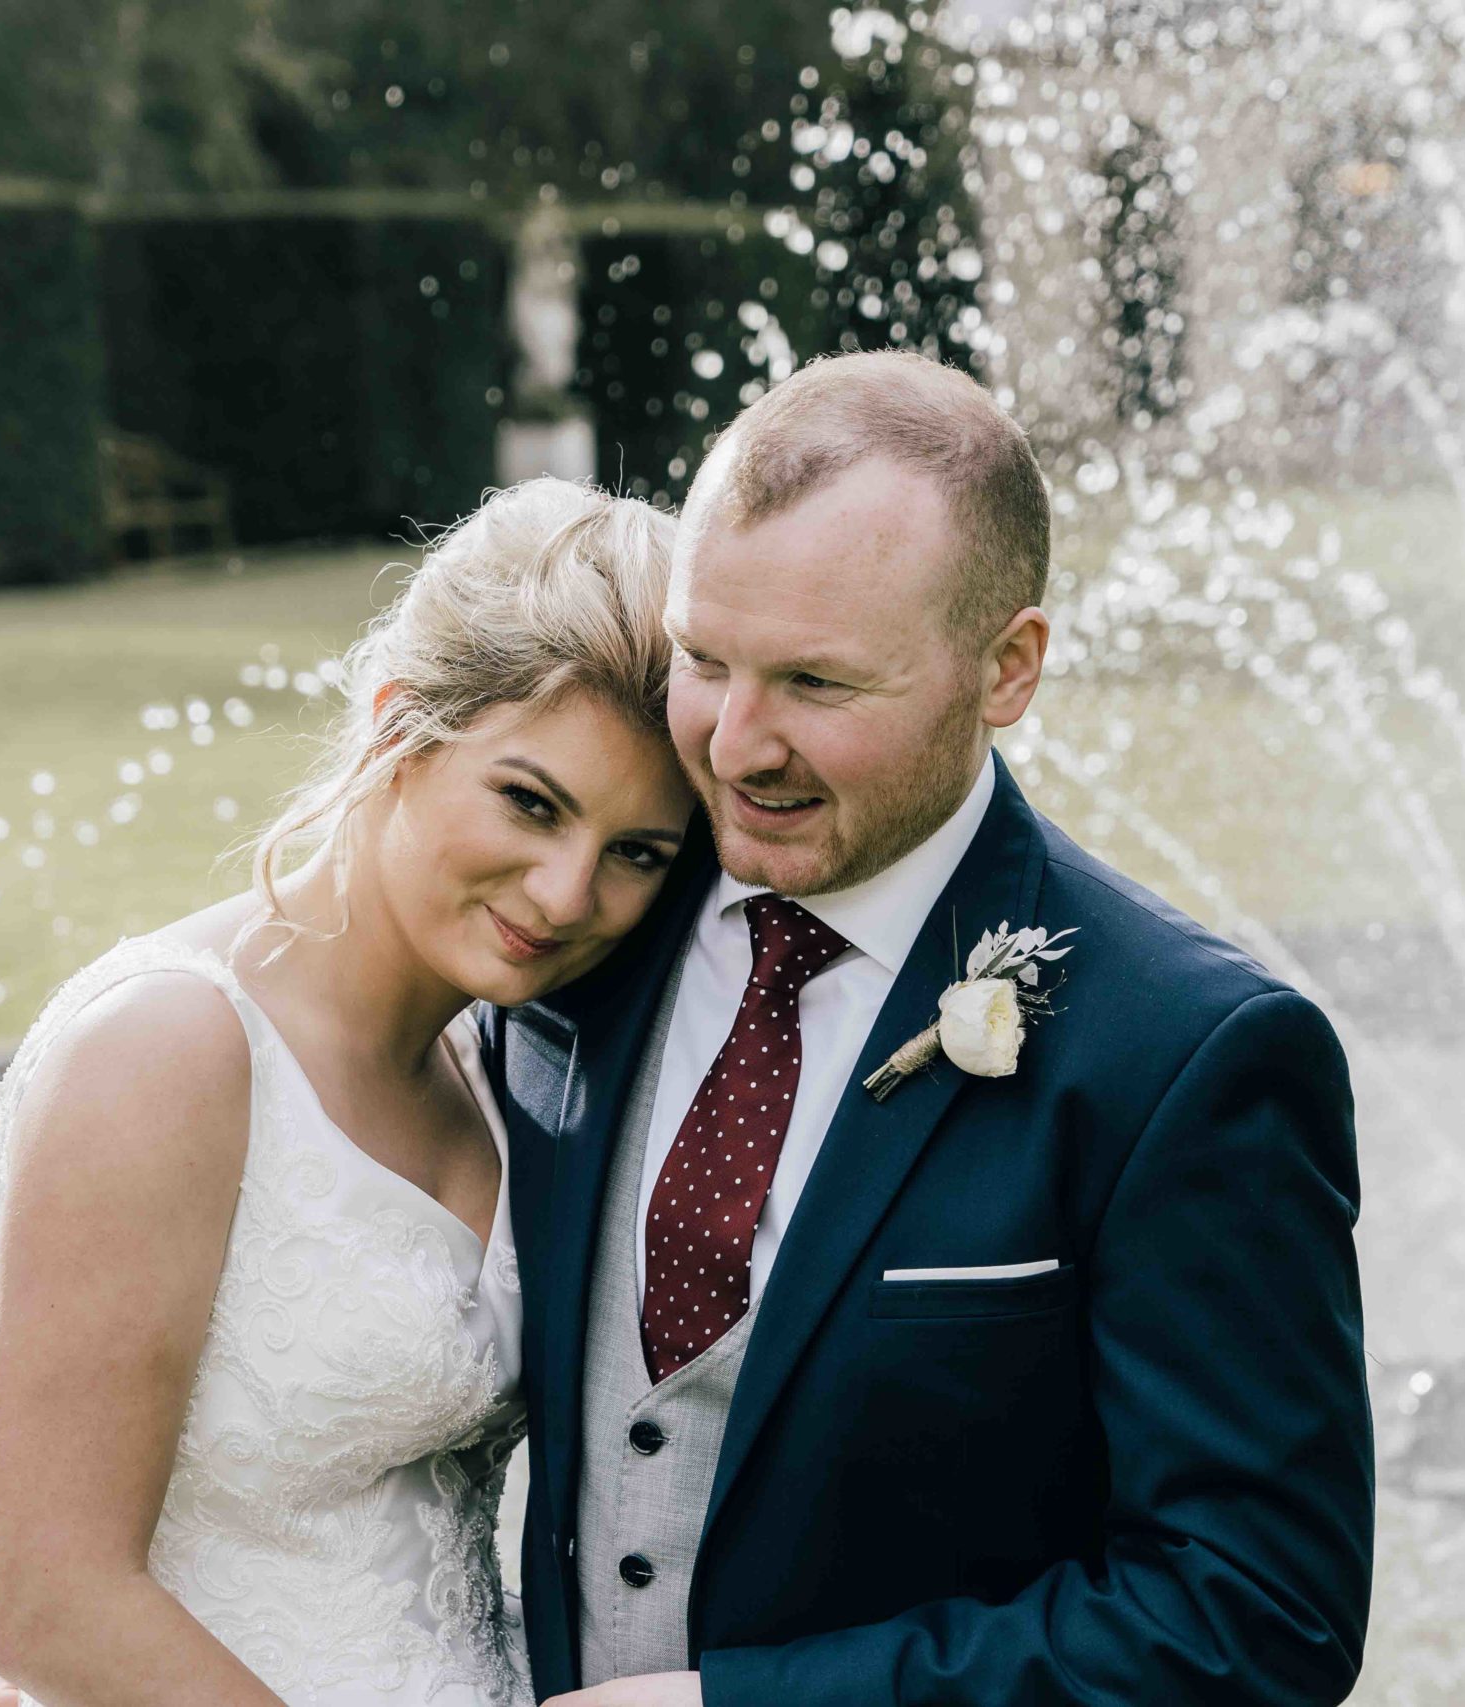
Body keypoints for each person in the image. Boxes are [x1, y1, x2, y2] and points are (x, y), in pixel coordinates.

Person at [491, 349, 1373, 1706]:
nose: (733, 742)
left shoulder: (1187, 1052)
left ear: (1007, 667)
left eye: (817, 684)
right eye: (704, 658)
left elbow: (1254, 1610)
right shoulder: (579, 924)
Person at [0, 477, 696, 1707]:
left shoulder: (497, 1067)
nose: (569, 896)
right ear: (400, 724)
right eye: (529, 801)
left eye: (636, 855)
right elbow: (46, 1598)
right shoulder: (167, 1047)